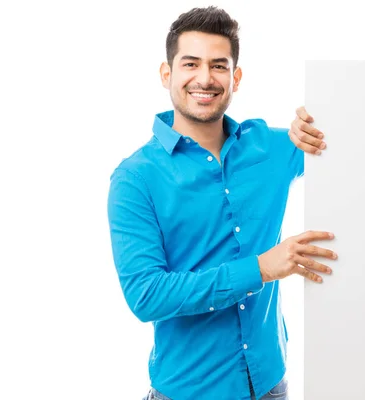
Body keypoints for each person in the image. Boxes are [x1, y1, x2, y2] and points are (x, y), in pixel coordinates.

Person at [107, 6, 337, 400]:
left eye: (218, 65)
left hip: (270, 384)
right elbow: (147, 295)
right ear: (167, 75)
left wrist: (317, 126)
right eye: (190, 63)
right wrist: (260, 269)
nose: (205, 78)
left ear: (236, 77)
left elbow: (345, 146)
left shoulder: (270, 148)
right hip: (188, 391)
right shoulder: (135, 178)